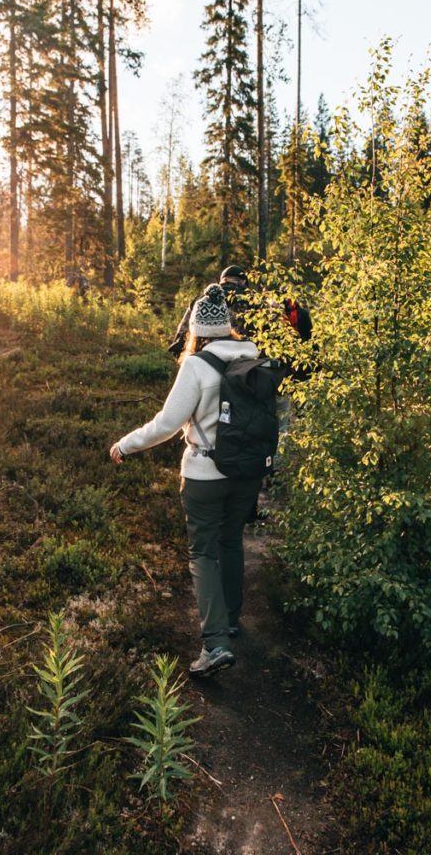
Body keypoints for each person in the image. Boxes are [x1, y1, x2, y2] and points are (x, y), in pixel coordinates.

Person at [110, 283, 262, 679]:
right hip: (246, 474)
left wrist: (125, 446)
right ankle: (229, 619)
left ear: (197, 329)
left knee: (203, 553)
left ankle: (214, 645)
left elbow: (166, 424)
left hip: (205, 476)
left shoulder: (196, 365)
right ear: (227, 325)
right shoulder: (255, 358)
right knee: (231, 540)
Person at [168, 265, 252, 358]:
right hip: (243, 360)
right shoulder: (253, 300)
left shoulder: (201, 299)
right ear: (244, 282)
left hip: (203, 357)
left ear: (222, 280)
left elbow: (183, 331)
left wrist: (181, 355)